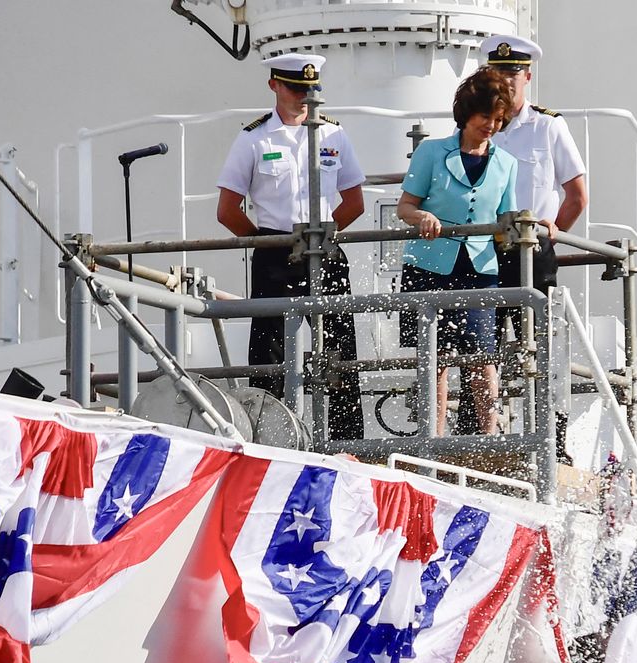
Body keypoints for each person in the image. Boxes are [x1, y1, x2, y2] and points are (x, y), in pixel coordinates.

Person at [216, 52, 367, 440]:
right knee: (268, 353)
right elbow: (227, 209)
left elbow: (354, 201)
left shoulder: (333, 134)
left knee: (339, 346)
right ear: (274, 86)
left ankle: (348, 439)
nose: (304, 96)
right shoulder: (253, 137)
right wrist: (268, 243)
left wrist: (326, 232)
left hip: (326, 249)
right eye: (296, 88)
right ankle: (268, 438)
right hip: (276, 252)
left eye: (310, 89)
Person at [395, 68, 519, 435]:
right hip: (429, 266)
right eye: (486, 117)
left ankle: (487, 434)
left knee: (483, 356)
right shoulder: (431, 152)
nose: (492, 126)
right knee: (435, 358)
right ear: (467, 113)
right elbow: (405, 207)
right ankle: (431, 438)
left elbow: (505, 220)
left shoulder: (507, 164)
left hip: (481, 269)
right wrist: (423, 216)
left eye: (499, 119)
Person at [482, 34, 587, 330]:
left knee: (541, 340)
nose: (507, 80)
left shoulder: (548, 125)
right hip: (484, 247)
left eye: (514, 73)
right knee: (482, 347)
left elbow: (577, 196)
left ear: (527, 76)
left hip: (534, 247)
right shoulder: (476, 127)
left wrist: (552, 235)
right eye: (500, 72)